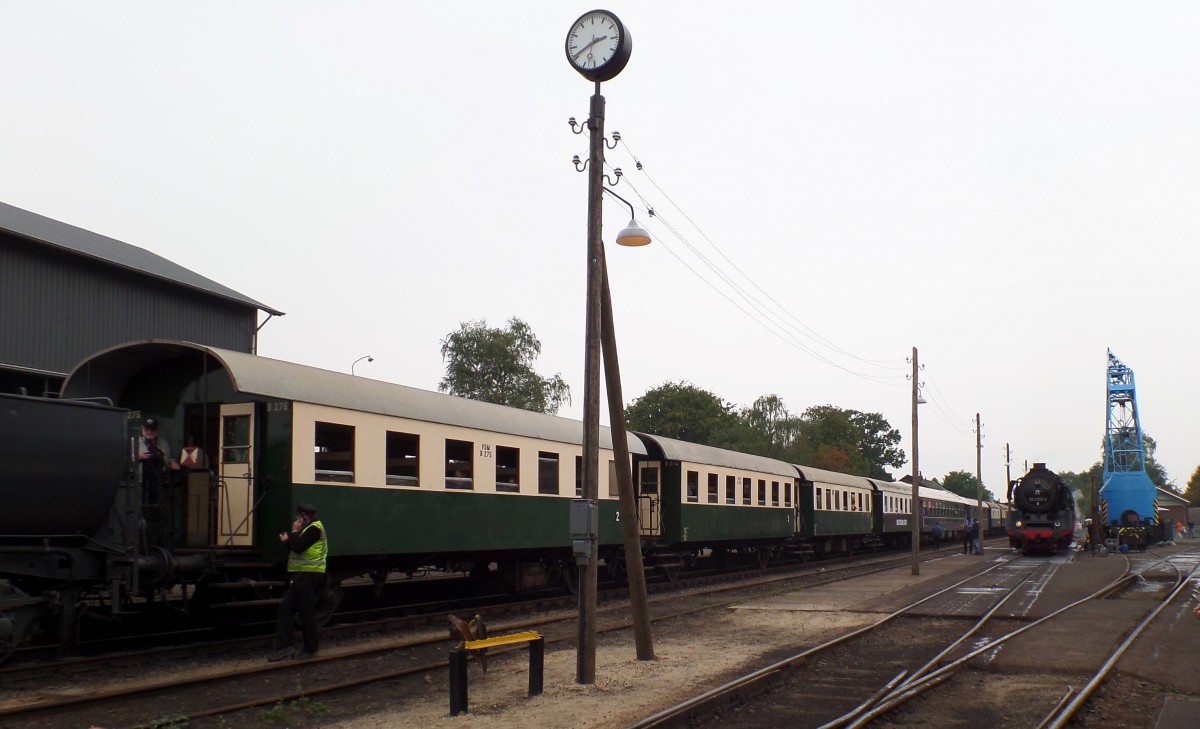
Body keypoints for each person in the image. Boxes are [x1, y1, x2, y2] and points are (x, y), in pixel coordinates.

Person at [268, 503, 328, 661]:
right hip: (300, 576)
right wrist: (286, 541)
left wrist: (294, 532)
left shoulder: (315, 529)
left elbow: (299, 547)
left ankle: (310, 649)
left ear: (304, 517)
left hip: (310, 575)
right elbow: (295, 546)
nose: (296, 519)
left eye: (298, 516)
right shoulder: (307, 529)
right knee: (285, 607)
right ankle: (284, 647)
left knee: (306, 612)